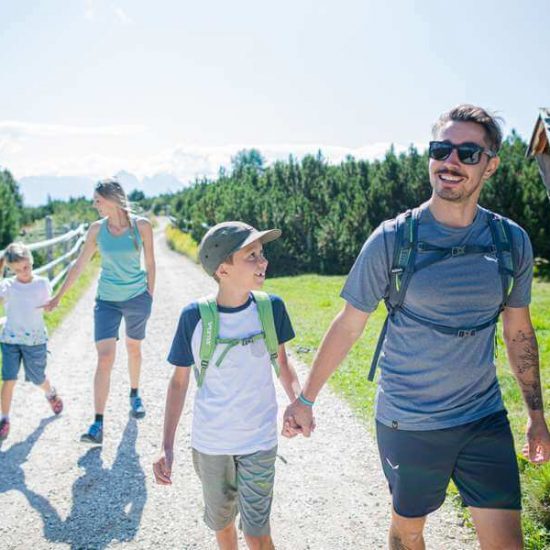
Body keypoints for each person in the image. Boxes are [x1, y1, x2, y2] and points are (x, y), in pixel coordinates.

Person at [284, 104, 550, 550]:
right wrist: (306, 399)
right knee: (409, 532)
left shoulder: (510, 241)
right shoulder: (393, 239)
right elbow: (349, 325)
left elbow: (519, 332)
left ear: (491, 166)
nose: (451, 161)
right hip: (408, 422)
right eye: (441, 149)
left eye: (468, 153)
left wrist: (536, 417)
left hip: (482, 418)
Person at [153, 221, 301, 550]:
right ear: (223, 268)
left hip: (259, 441)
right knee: (223, 529)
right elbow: (178, 384)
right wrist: (166, 445)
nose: (263, 262)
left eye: (261, 254)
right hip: (212, 445)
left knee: (256, 532)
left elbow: (283, 363)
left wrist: (299, 402)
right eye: (251, 256)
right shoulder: (193, 317)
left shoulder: (271, 308)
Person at [44, 179, 156, 445]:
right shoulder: (97, 230)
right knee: (105, 358)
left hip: (137, 298)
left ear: (112, 199)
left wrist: (149, 296)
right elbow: (80, 264)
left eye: (98, 200)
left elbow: (151, 263)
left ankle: (135, 393)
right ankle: (97, 423)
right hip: (107, 301)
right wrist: (59, 296)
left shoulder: (141, 226)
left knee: (134, 348)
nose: (95, 206)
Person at [0, 243, 63, 441]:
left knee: (37, 378)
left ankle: (50, 393)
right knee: (8, 378)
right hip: (10, 339)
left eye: (25, 267)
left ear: (31, 261)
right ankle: (4, 418)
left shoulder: (42, 283)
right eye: (17, 270)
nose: (23, 273)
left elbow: (48, 305)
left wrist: (51, 307)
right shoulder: (8, 285)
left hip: (35, 340)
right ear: (10, 269)